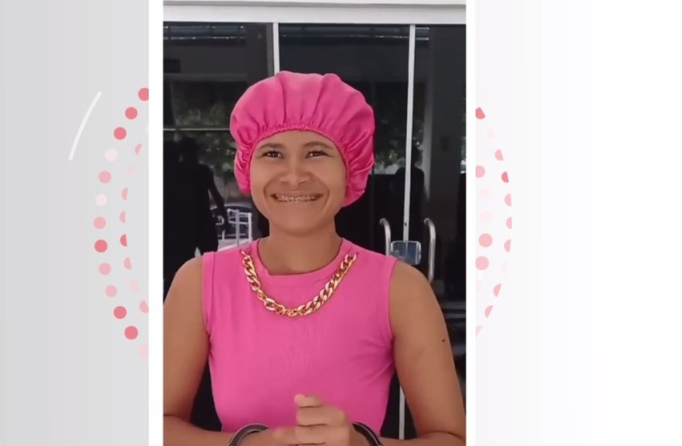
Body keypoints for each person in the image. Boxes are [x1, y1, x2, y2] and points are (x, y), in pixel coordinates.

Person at [164, 72, 466, 446]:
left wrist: (361, 444)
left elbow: (452, 438)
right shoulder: (201, 283)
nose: (294, 176)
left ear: (350, 166)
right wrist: (245, 444)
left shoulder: (401, 289)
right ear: (247, 166)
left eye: (316, 152)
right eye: (272, 153)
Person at [163, 137, 229, 298]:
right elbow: (216, 197)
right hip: (201, 220)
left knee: (182, 260)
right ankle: (210, 292)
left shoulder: (177, 172)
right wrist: (225, 218)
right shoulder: (201, 171)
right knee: (210, 260)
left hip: (185, 223)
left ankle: (180, 294)